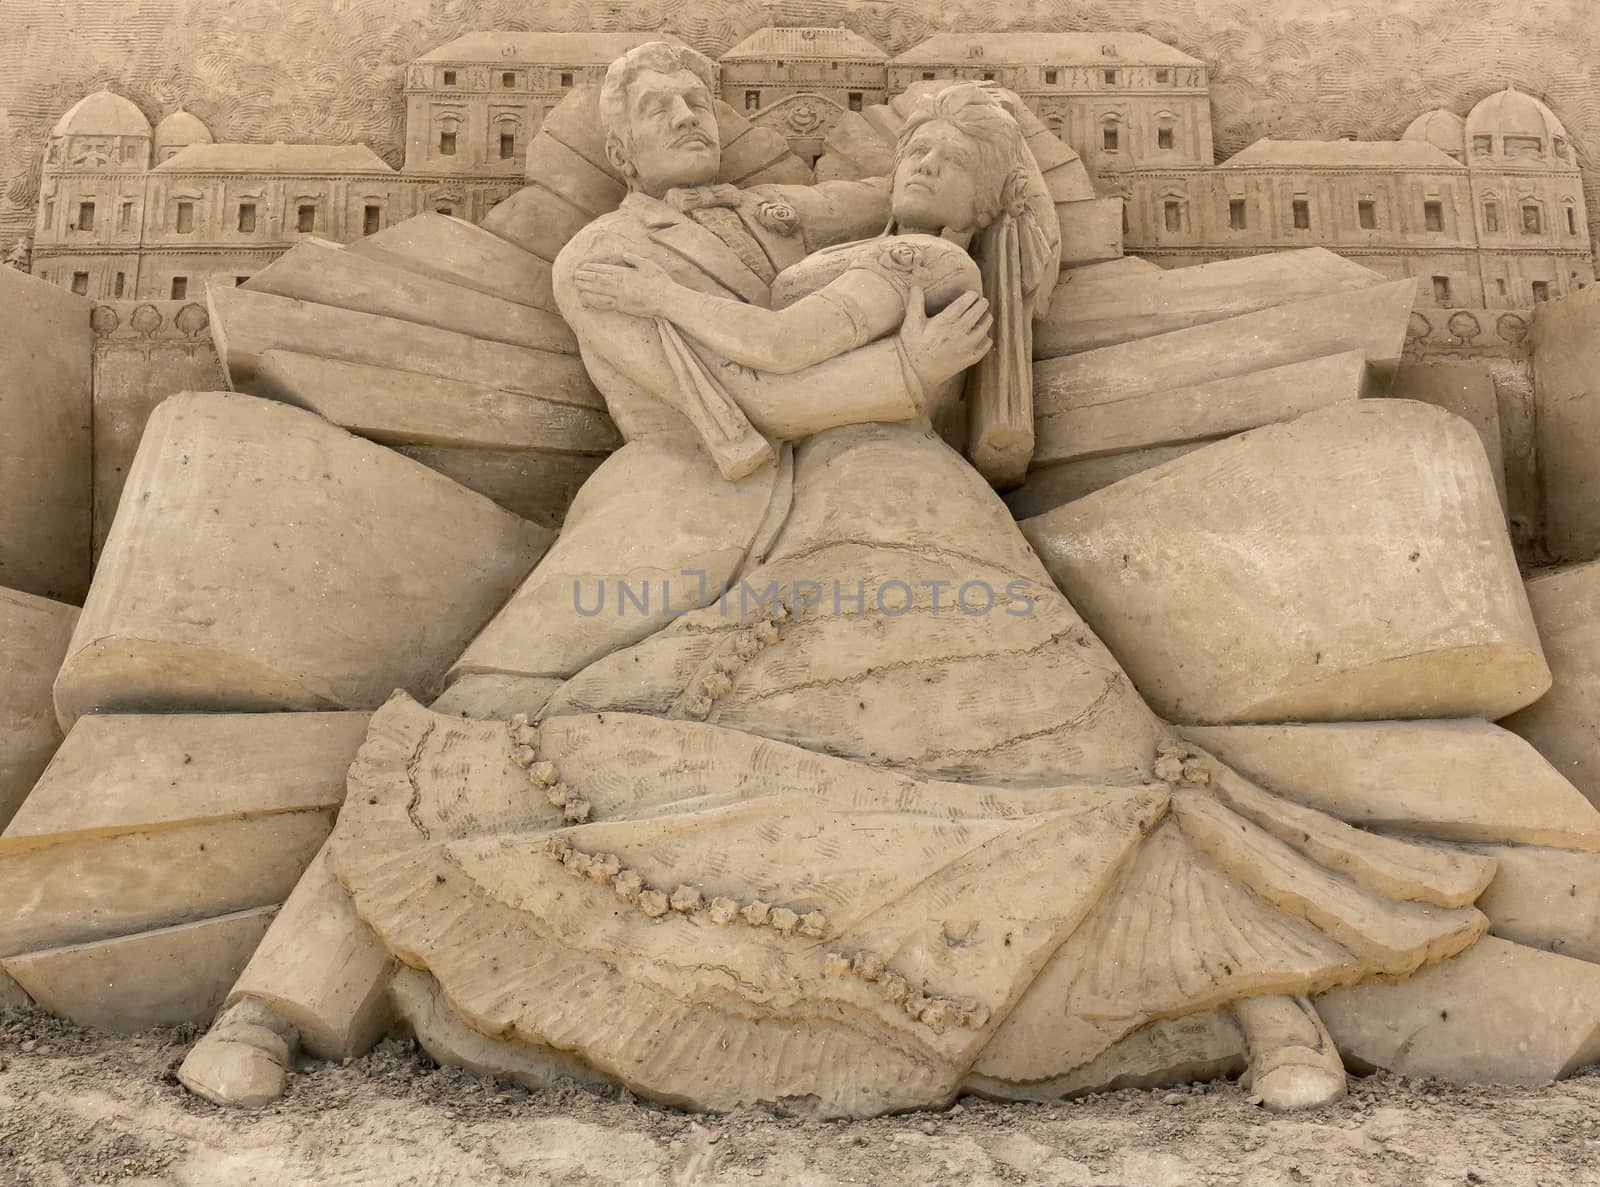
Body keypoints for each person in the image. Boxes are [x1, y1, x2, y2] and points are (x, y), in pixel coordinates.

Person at [315, 81, 1491, 1116]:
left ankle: (1267, 1012)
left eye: (943, 167)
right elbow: (832, 214)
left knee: (1083, 754)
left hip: (899, 506)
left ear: (982, 205)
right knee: (838, 763)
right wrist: (913, 158)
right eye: (663, 108)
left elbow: (774, 352)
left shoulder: (922, 260)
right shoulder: (803, 229)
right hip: (793, 512)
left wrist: (713, 309)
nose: (912, 170)